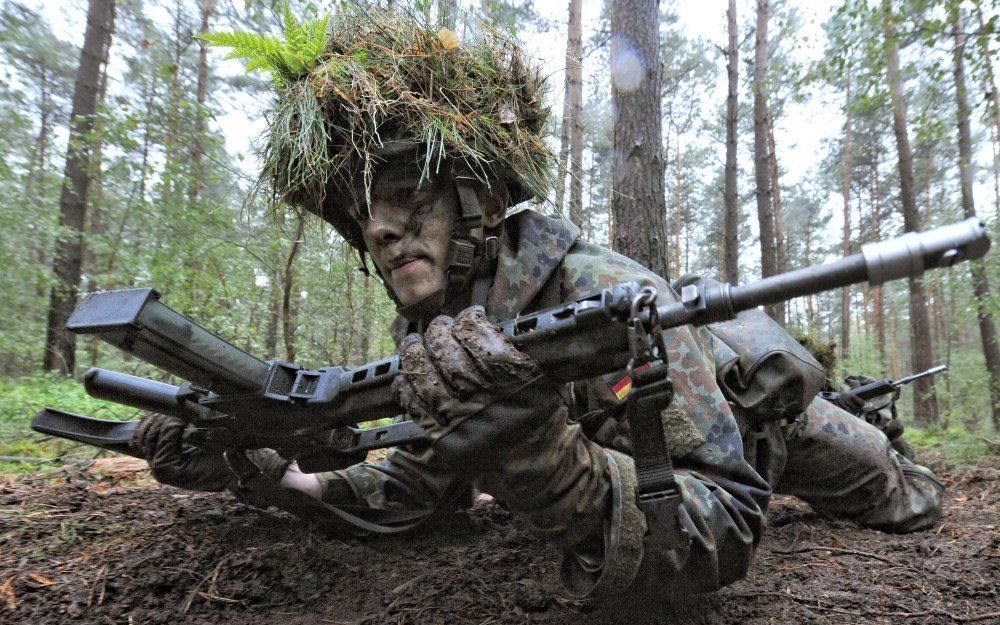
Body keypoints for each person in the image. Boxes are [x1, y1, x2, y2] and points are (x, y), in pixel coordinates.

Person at [131, 7, 941, 601]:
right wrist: (267, 475)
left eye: (409, 197)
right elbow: (415, 491)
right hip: (634, 460)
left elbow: (727, 522)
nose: (381, 229)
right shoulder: (438, 326)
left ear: (477, 204)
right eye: (364, 214)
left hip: (761, 435)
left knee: (904, 497)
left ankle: (868, 415)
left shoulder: (609, 295)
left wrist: (551, 463)